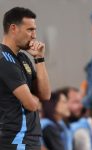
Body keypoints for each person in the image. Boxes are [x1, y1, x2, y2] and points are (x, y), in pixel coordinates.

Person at [0, 7, 51, 150]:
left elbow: (45, 95)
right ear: (13, 28)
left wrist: (39, 58)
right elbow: (31, 104)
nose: (34, 35)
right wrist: (33, 98)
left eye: (34, 30)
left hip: (29, 138)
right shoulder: (3, 58)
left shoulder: (22, 58)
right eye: (30, 30)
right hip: (15, 139)